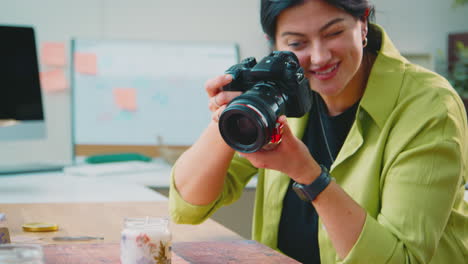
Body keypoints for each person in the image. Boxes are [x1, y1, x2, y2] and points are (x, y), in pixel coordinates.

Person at [169, 0, 468, 263]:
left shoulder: (429, 106)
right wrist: (227, 115)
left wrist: (309, 176)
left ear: (363, 23)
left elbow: (403, 260)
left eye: (334, 33)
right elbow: (187, 206)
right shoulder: (279, 91)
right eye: (297, 43)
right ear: (273, 44)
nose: (320, 57)